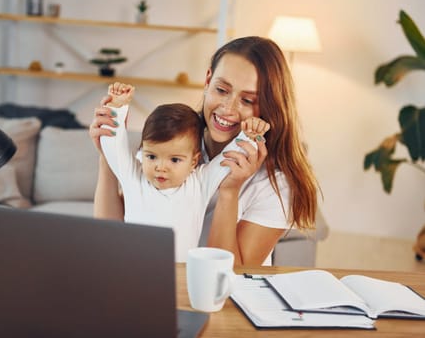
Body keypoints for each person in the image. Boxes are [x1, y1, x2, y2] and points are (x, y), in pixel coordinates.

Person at [89, 36, 319, 266]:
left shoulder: (277, 184)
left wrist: (230, 192)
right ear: (208, 80)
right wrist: (107, 156)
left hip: (228, 296)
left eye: (247, 100)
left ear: (269, 105)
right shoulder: (174, 144)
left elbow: (233, 274)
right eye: (221, 89)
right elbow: (113, 235)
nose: (228, 108)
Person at [96, 82, 267, 262]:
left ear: (194, 161)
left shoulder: (200, 183)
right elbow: (112, 146)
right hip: (135, 271)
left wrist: (249, 135)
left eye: (175, 160)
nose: (160, 167)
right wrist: (117, 107)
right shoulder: (135, 177)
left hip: (181, 275)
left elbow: (231, 157)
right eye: (152, 156)